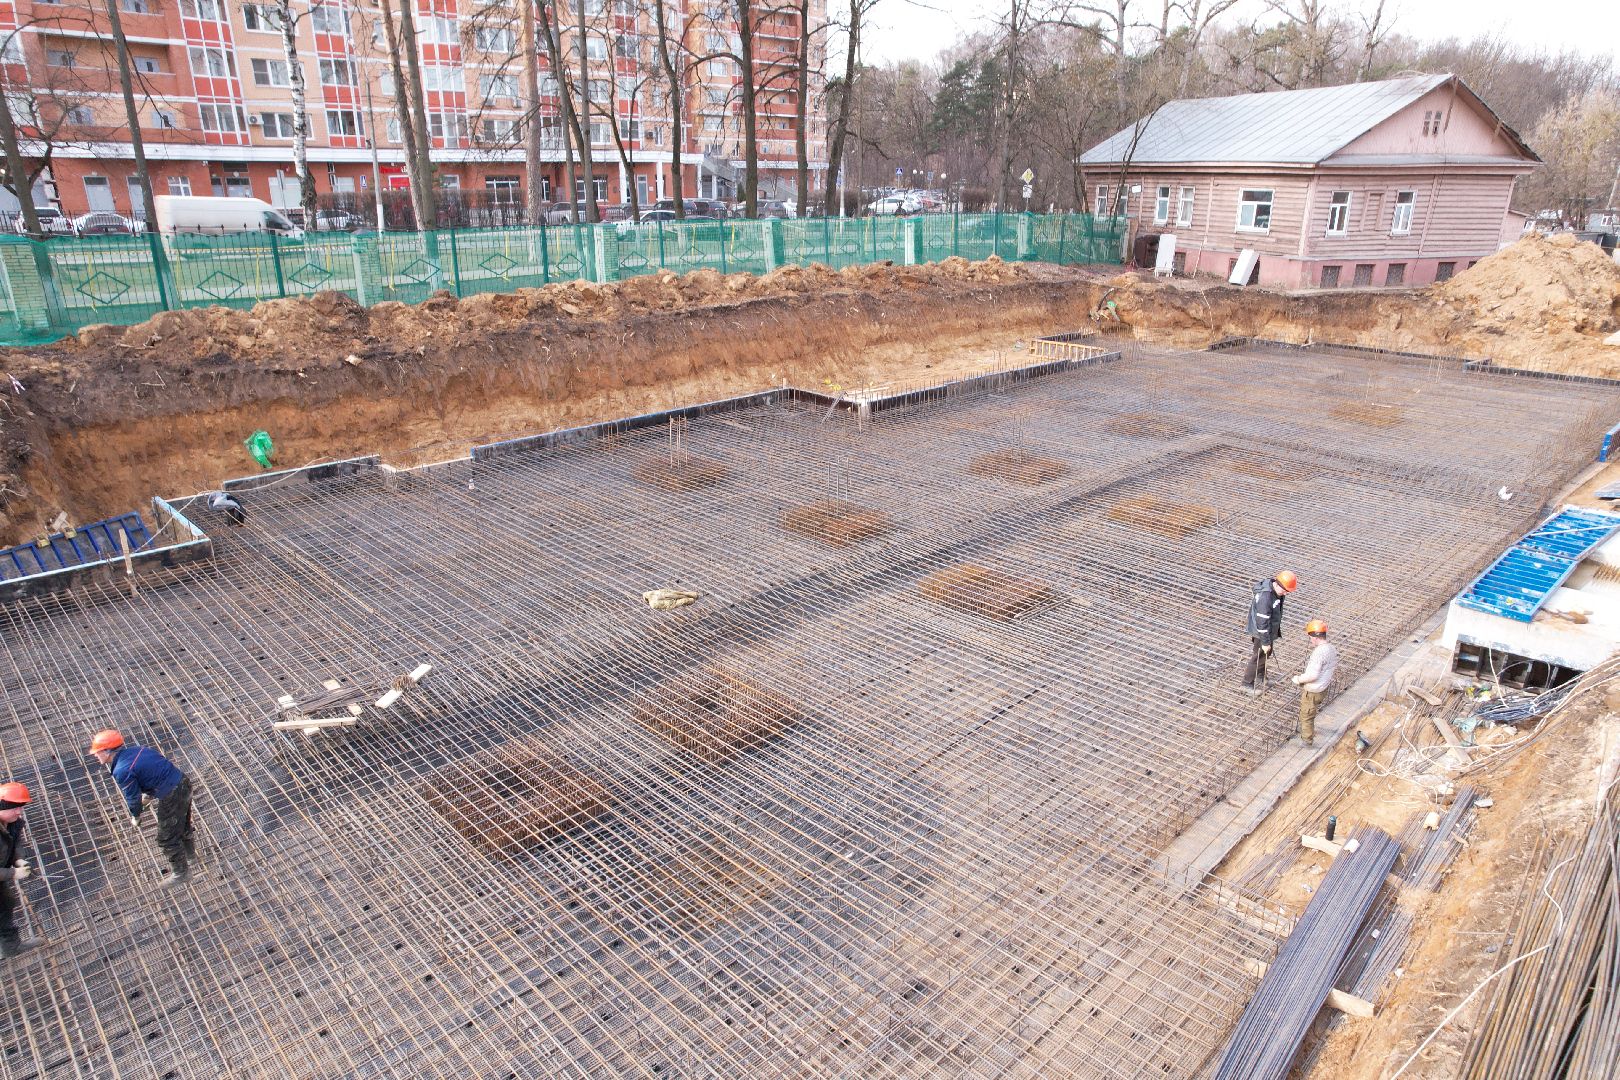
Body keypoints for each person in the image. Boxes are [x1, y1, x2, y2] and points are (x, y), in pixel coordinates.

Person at [90, 730, 195, 887]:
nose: (95, 755)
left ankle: (182, 873)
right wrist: (149, 796)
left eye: (97, 752)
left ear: (107, 751)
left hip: (172, 794)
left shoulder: (121, 770)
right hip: (183, 782)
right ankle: (191, 856)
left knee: (166, 838)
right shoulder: (139, 750)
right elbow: (155, 771)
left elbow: (133, 799)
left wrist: (136, 816)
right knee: (181, 825)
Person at [1242, 571, 1298, 694]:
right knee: (1258, 656)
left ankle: (1261, 677)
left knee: (1266, 654)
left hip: (1269, 630)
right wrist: (1265, 641)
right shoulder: (1266, 598)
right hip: (1261, 632)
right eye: (1285, 591)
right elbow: (1262, 623)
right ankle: (1246, 683)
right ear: (1277, 585)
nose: (1285, 594)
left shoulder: (1276, 591)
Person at [0, 781, 39, 959]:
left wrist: (19, 859)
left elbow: (15, 842)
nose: (19, 811)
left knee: (6, 903)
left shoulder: (12, 822)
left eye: (21, 807)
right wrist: (13, 874)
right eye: (14, 808)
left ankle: (11, 947)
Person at [1290, 620, 1340, 745]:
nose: (1310, 640)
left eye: (1310, 637)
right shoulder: (1331, 648)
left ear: (1315, 637)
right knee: (1310, 712)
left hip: (1313, 690)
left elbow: (1313, 675)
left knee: (1306, 716)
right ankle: (1307, 732)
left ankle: (1306, 741)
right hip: (1323, 688)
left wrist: (1299, 679)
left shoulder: (1319, 653)